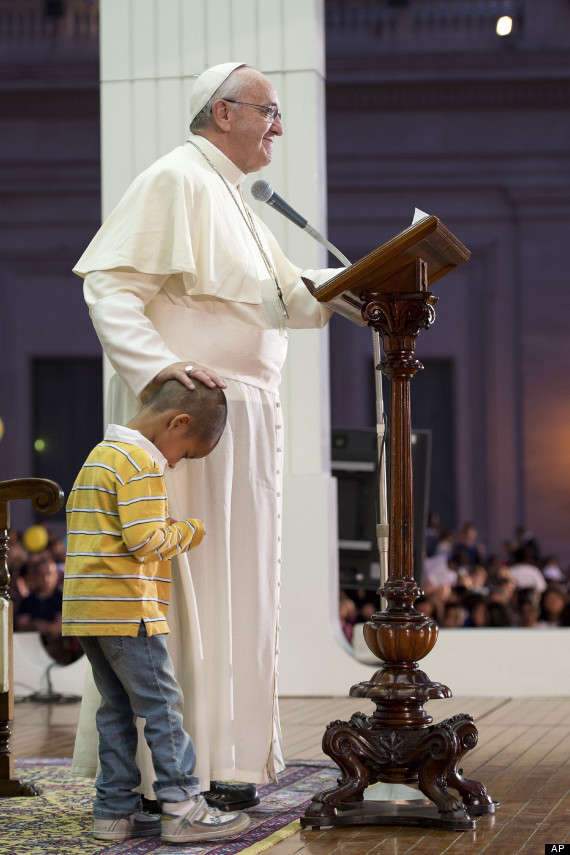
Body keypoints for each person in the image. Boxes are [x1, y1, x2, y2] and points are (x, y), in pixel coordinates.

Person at [71, 62, 337, 809]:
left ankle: (227, 758)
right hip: (186, 420)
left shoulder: (241, 200)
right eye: (269, 112)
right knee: (183, 591)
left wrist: (364, 285)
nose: (278, 127)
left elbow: (290, 298)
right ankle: (165, 776)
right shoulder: (175, 179)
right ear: (224, 113)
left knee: (237, 590)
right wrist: (164, 373)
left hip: (244, 418)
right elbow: (109, 284)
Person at [63, 379, 250, 844]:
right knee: (163, 706)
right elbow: (146, 540)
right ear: (177, 422)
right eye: (183, 453)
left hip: (88, 611)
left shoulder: (99, 456)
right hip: (129, 610)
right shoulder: (141, 461)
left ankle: (113, 811)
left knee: (115, 710)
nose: (174, 462)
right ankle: (183, 805)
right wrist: (189, 529)